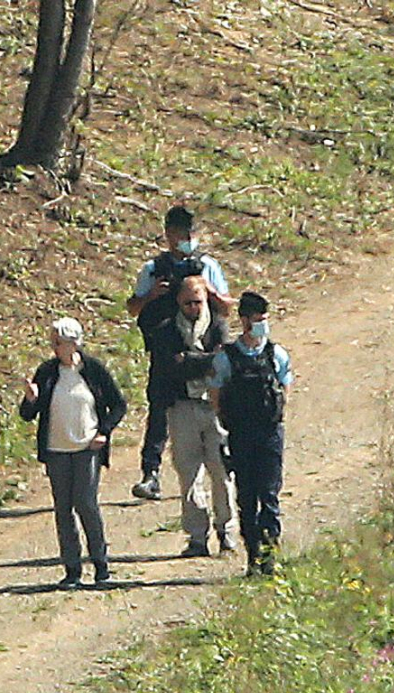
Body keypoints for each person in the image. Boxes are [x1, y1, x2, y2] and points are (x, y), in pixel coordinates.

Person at [126, 205, 233, 501]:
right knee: (159, 411)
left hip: (204, 350)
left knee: (213, 407)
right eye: (176, 234)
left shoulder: (208, 265)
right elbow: (132, 307)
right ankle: (151, 473)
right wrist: (152, 295)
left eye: (187, 234)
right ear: (167, 235)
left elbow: (226, 308)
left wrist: (208, 291)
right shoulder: (153, 269)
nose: (182, 240)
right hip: (166, 351)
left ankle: (223, 464)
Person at [19, 317, 127, 588]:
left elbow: (117, 405)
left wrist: (103, 432)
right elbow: (28, 415)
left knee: (86, 504)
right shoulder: (47, 372)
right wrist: (31, 399)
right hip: (57, 450)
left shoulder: (93, 370)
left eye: (59, 341)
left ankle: (101, 564)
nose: (55, 346)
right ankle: (72, 569)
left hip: (86, 448)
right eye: (53, 341)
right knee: (63, 509)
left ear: (74, 342)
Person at [150, 276, 236, 558]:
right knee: (188, 474)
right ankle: (197, 537)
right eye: (187, 303)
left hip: (215, 407)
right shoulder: (165, 331)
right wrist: (203, 362)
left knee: (221, 471)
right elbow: (171, 368)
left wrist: (189, 361)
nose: (193, 308)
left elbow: (222, 362)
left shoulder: (218, 326)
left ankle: (227, 532)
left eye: (197, 302)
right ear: (178, 302)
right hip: (182, 407)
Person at [210, 291, 293, 576]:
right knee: (246, 498)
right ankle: (253, 557)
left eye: (265, 320)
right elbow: (216, 397)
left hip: (270, 433)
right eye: (258, 320)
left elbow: (284, 390)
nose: (262, 325)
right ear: (244, 321)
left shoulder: (276, 354)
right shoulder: (226, 358)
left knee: (269, 496)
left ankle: (271, 558)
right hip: (241, 435)